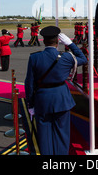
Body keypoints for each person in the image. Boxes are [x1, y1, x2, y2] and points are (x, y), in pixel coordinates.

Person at [24, 26, 87, 155]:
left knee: (44, 136)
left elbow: (29, 84)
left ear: (43, 41)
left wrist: (30, 104)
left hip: (42, 100)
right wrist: (70, 44)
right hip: (61, 99)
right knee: (62, 135)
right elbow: (83, 58)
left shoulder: (35, 58)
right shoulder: (66, 57)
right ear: (58, 41)